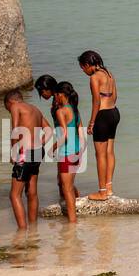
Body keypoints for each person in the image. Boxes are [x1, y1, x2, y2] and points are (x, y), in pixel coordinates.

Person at [78, 50, 119, 202]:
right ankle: (109, 188)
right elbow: (115, 96)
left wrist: (92, 122)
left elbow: (96, 101)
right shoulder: (109, 74)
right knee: (110, 151)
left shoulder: (94, 77)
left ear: (88, 65)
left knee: (100, 155)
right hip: (114, 112)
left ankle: (102, 192)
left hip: (102, 116)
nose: (84, 71)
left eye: (83, 68)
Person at [5, 89, 47, 230]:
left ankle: (22, 231)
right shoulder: (35, 109)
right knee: (31, 192)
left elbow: (15, 130)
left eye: (7, 108)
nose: (9, 111)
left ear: (10, 102)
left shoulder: (16, 107)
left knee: (14, 195)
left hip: (25, 152)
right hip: (37, 151)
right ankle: (33, 228)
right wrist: (40, 143)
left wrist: (14, 152)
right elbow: (49, 130)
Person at [52, 82, 82, 222]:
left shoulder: (60, 111)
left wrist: (52, 149)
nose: (54, 97)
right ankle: (75, 213)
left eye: (56, 94)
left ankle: (72, 221)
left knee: (67, 189)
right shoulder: (75, 109)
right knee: (69, 186)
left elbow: (64, 135)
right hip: (76, 151)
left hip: (66, 153)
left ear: (61, 94)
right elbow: (80, 133)